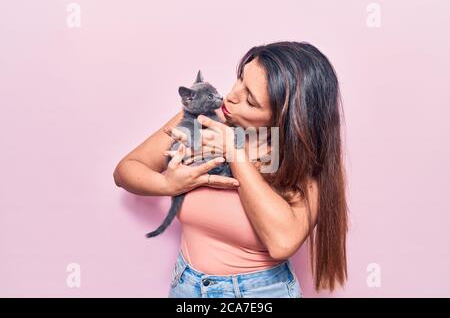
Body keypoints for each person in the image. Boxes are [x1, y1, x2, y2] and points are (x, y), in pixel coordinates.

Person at [113, 41, 348, 298]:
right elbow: (125, 170)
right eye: (240, 78)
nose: (231, 96)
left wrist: (233, 150)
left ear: (284, 118)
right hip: (186, 287)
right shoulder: (204, 119)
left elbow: (282, 242)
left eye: (250, 100)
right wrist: (169, 184)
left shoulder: (303, 164)